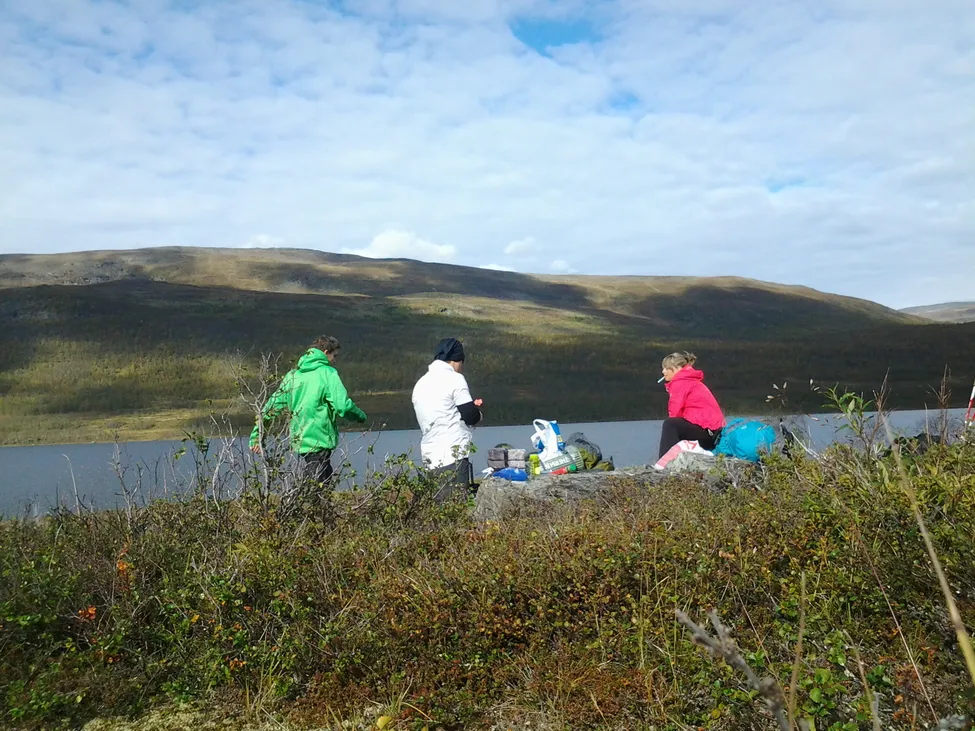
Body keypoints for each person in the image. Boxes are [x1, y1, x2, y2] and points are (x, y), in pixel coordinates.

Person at [249, 335, 367, 487]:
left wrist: (256, 436)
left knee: (324, 479)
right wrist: (361, 416)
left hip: (300, 437)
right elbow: (343, 406)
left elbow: (270, 408)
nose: (335, 360)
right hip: (319, 437)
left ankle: (314, 508)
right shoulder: (328, 373)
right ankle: (305, 508)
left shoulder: (293, 376)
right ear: (325, 352)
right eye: (334, 356)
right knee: (315, 484)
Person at [412, 337, 483, 499]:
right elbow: (470, 416)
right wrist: (478, 412)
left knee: (439, 510)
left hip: (430, 456)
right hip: (453, 455)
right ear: (457, 360)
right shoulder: (455, 379)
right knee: (456, 506)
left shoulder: (421, 383)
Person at [658, 351, 724, 459]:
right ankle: (675, 459)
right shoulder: (690, 381)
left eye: (666, 368)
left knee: (670, 425)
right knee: (676, 426)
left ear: (678, 368)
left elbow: (675, 412)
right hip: (713, 433)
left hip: (707, 432)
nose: (663, 371)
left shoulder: (680, 383)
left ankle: (665, 462)